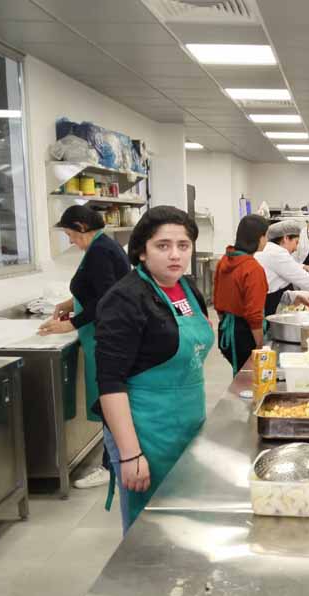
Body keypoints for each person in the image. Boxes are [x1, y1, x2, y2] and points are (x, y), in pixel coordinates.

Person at [95, 206, 213, 533]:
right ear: (142, 251)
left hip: (187, 422)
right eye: (163, 245)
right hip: (145, 430)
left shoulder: (187, 289)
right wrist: (130, 454)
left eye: (183, 245)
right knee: (149, 529)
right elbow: (110, 382)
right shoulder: (125, 299)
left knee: (184, 519)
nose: (175, 254)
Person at [40, 205, 130, 490]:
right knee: (108, 402)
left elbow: (105, 298)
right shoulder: (102, 246)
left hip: (106, 336)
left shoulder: (100, 251)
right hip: (101, 334)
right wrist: (69, 304)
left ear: (81, 227)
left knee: (109, 402)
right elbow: (96, 288)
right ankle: (112, 460)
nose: (70, 240)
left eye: (70, 234)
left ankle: (110, 465)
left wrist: (71, 324)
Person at [214, 215, 269, 376]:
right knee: (250, 378)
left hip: (226, 331)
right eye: (266, 236)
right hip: (246, 334)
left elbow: (217, 300)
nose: (266, 240)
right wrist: (260, 346)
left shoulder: (224, 260)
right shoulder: (253, 269)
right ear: (259, 238)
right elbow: (254, 315)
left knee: (240, 374)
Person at [255, 219, 309, 316]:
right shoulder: (277, 253)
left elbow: (273, 288)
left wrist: (292, 297)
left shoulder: (271, 250)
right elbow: (304, 279)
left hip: (263, 305)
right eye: (296, 242)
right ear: (286, 238)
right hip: (257, 310)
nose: (296, 248)